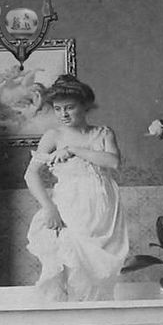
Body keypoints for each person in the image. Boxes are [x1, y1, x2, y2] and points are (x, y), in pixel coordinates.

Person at [24, 74, 129, 301]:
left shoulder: (102, 133)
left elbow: (113, 162)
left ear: (85, 106)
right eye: (58, 109)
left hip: (104, 211)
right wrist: (49, 208)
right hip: (70, 207)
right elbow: (31, 174)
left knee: (99, 272)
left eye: (70, 108)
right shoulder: (53, 136)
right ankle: (72, 317)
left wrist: (74, 150)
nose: (63, 114)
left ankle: (96, 320)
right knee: (73, 261)